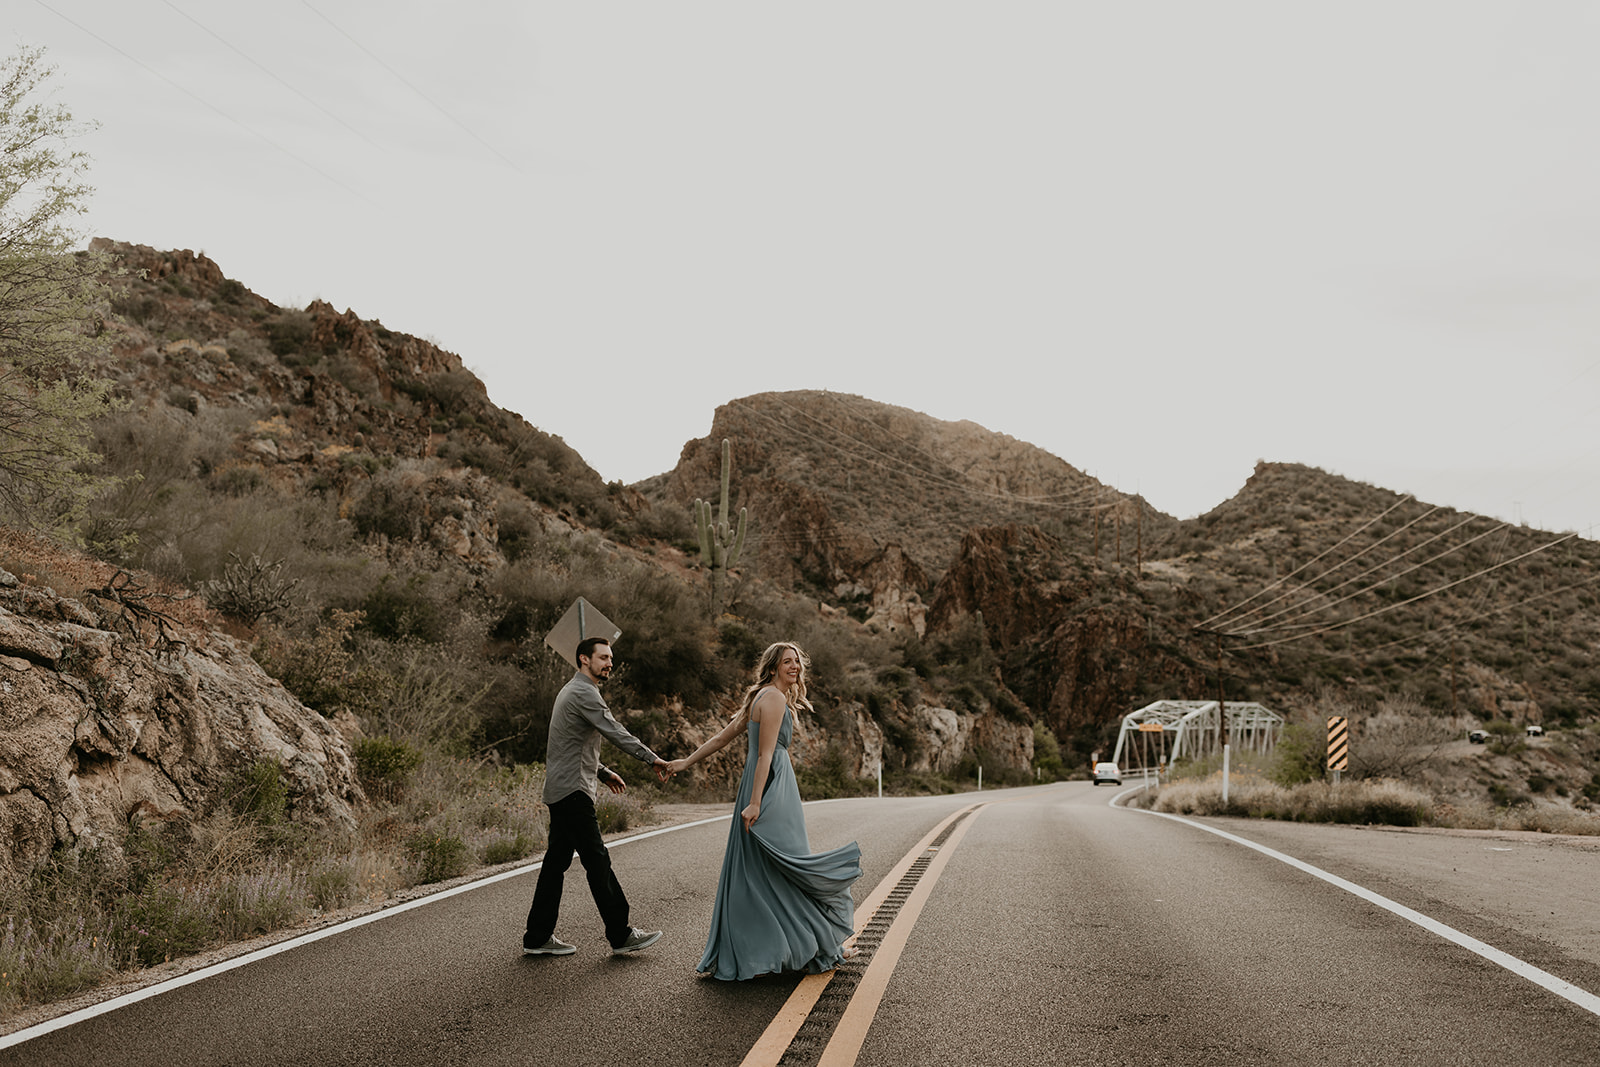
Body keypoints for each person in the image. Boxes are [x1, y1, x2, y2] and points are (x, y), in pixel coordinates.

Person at [663, 641, 862, 980]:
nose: (794, 667)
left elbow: (720, 739)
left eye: (797, 661)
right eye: (787, 662)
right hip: (771, 789)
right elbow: (765, 756)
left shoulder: (764, 696)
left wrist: (685, 762)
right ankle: (816, 944)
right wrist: (756, 803)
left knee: (763, 871)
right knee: (788, 866)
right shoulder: (773, 699)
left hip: (765, 787)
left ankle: (797, 944)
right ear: (773, 668)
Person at [523, 636, 670, 957]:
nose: (609, 664)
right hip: (573, 791)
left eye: (611, 659)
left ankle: (536, 936)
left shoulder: (572, 691)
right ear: (583, 660)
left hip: (564, 788)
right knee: (597, 860)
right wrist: (652, 758)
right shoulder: (583, 692)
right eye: (603, 658)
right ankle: (620, 934)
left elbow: (570, 744)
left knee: (556, 863)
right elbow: (614, 730)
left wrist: (602, 772)